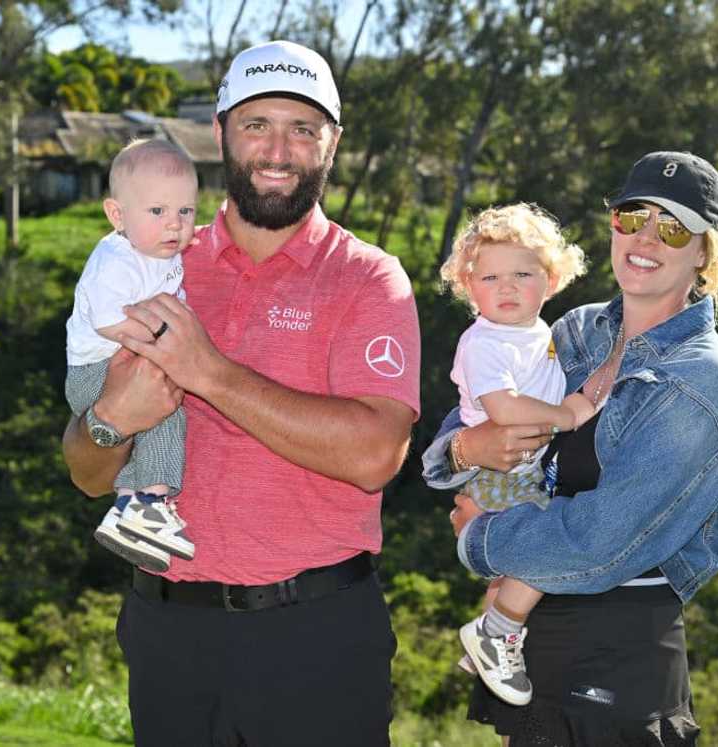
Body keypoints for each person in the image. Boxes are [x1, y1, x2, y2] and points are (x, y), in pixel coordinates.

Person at [62, 40, 420, 747]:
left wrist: (210, 371)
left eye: (303, 129)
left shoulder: (370, 279)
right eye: (257, 124)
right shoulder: (152, 262)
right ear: (221, 130)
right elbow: (85, 471)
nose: (278, 149)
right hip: (167, 631)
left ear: (333, 143)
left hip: (314, 635)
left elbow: (377, 452)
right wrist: (109, 420)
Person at [424, 151, 718, 745]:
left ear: (706, 252)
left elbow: (603, 543)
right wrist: (462, 452)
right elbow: (475, 418)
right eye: (634, 216)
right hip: (527, 641)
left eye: (674, 226)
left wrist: (481, 539)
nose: (646, 238)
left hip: (616, 656)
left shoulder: (702, 383)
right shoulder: (577, 330)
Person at [437, 203, 591, 706]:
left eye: (522, 274)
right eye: (491, 277)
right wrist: (565, 415)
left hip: (524, 471)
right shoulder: (484, 343)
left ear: (550, 280)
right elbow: (502, 408)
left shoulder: (539, 333)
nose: (506, 288)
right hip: (495, 472)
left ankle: (490, 637)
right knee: (554, 542)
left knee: (513, 570)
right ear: (468, 285)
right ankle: (497, 631)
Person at [65, 138, 198, 572]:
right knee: (166, 411)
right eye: (157, 212)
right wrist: (162, 344)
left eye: (186, 211)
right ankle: (151, 500)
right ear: (117, 215)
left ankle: (127, 508)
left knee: (153, 417)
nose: (174, 224)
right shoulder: (115, 260)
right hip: (96, 369)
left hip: (116, 361)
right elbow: (107, 321)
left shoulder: (158, 252)